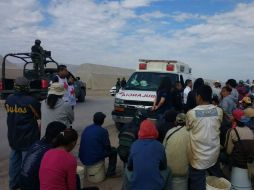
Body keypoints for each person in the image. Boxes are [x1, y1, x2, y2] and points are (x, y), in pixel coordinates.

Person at [5, 77, 41, 190]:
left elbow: (9, 113)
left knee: (14, 162)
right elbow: (38, 116)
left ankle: (13, 185)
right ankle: (26, 186)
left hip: (13, 136)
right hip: (28, 137)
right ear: (27, 87)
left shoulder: (9, 99)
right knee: (27, 164)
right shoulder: (31, 101)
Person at [186, 85, 223, 190]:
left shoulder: (191, 113)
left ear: (199, 97)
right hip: (213, 155)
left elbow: (188, 128)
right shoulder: (219, 111)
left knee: (197, 183)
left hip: (198, 157)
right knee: (214, 181)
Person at [122, 120, 170, 190]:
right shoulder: (159, 146)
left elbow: (130, 166)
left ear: (140, 131)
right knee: (169, 170)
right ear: (154, 130)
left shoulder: (134, 145)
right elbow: (163, 166)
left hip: (135, 186)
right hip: (156, 187)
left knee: (126, 168)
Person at [20, 121, 67, 190]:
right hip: (34, 186)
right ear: (57, 137)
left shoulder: (37, 143)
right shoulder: (51, 152)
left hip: (23, 182)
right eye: (63, 134)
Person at [79, 112, 117, 177]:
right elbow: (107, 147)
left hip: (82, 157)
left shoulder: (87, 128)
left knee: (97, 147)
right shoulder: (103, 131)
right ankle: (111, 173)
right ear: (102, 121)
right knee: (114, 151)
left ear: (93, 119)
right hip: (93, 158)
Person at [224, 109, 254, 189]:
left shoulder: (232, 131)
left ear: (234, 119)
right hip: (249, 163)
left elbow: (228, 151)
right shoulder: (250, 131)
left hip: (237, 162)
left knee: (222, 156)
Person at [163, 113, 189, 189]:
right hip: (184, 172)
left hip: (168, 170)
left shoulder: (169, 132)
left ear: (175, 122)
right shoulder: (190, 133)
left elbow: (163, 149)